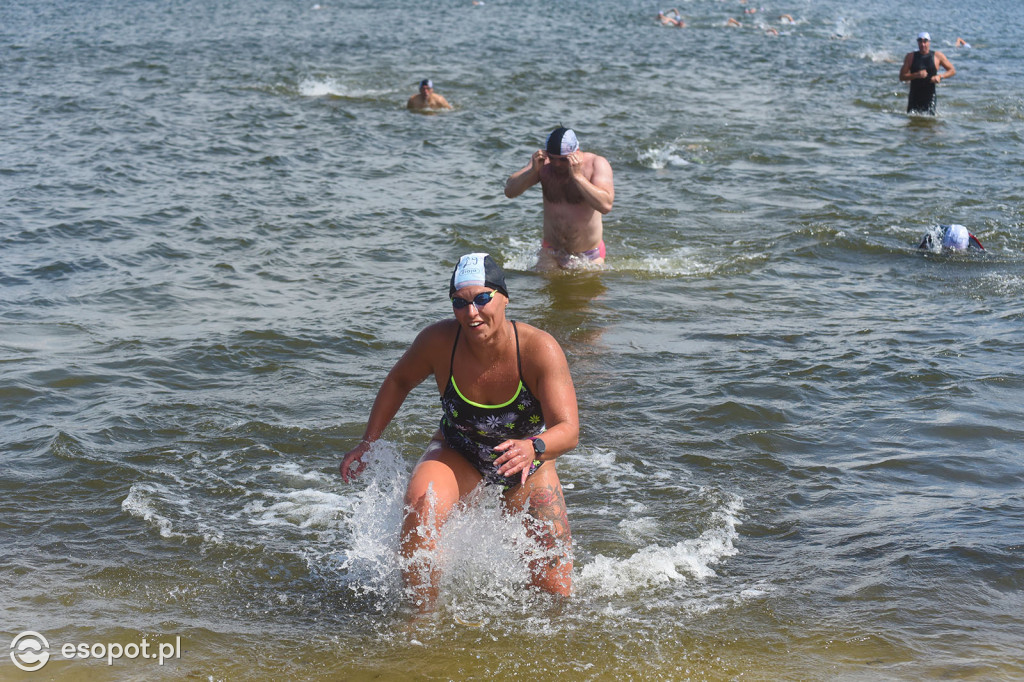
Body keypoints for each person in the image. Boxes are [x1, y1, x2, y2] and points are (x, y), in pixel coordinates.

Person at [340, 253, 578, 609]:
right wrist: (366, 442)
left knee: (556, 591)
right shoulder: (439, 342)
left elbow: (569, 430)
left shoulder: (537, 349)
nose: (472, 313)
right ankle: (419, 621)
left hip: (525, 464)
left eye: (482, 298)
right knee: (422, 505)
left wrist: (534, 446)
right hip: (458, 453)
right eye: (460, 302)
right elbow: (399, 380)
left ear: (504, 298)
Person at [504, 127, 614, 270]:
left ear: (577, 151)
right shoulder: (543, 164)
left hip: (588, 255)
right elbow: (510, 191)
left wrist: (578, 177)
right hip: (551, 251)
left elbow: (606, 205)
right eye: (552, 158)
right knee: (542, 289)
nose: (556, 164)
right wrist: (533, 171)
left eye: (563, 159)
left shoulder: (596, 164)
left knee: (586, 291)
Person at [899, 32, 955, 115]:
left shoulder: (937, 56)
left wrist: (940, 76)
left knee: (930, 121)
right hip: (914, 96)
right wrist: (916, 75)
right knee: (912, 122)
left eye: (925, 41)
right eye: (920, 41)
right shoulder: (910, 56)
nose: (923, 44)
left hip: (930, 96)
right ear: (917, 42)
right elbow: (902, 77)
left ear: (929, 42)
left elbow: (952, 70)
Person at [918, 224, 984, 252]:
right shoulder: (938, 234)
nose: (951, 254)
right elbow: (928, 236)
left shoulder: (973, 242)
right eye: (948, 249)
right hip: (945, 230)